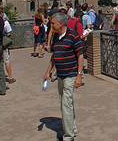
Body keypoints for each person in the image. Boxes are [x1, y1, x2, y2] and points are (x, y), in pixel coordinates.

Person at [43, 12, 84, 141]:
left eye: (53, 23)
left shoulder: (73, 36)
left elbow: (80, 55)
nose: (51, 25)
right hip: (60, 74)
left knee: (66, 103)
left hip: (70, 74)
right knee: (65, 103)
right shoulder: (56, 37)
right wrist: (47, 72)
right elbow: (54, 56)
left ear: (61, 23)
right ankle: (72, 128)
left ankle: (68, 136)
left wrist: (79, 75)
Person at [0, 7, 15, 84]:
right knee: (7, 61)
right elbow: (9, 32)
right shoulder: (5, 23)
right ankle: (10, 77)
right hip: (4, 44)